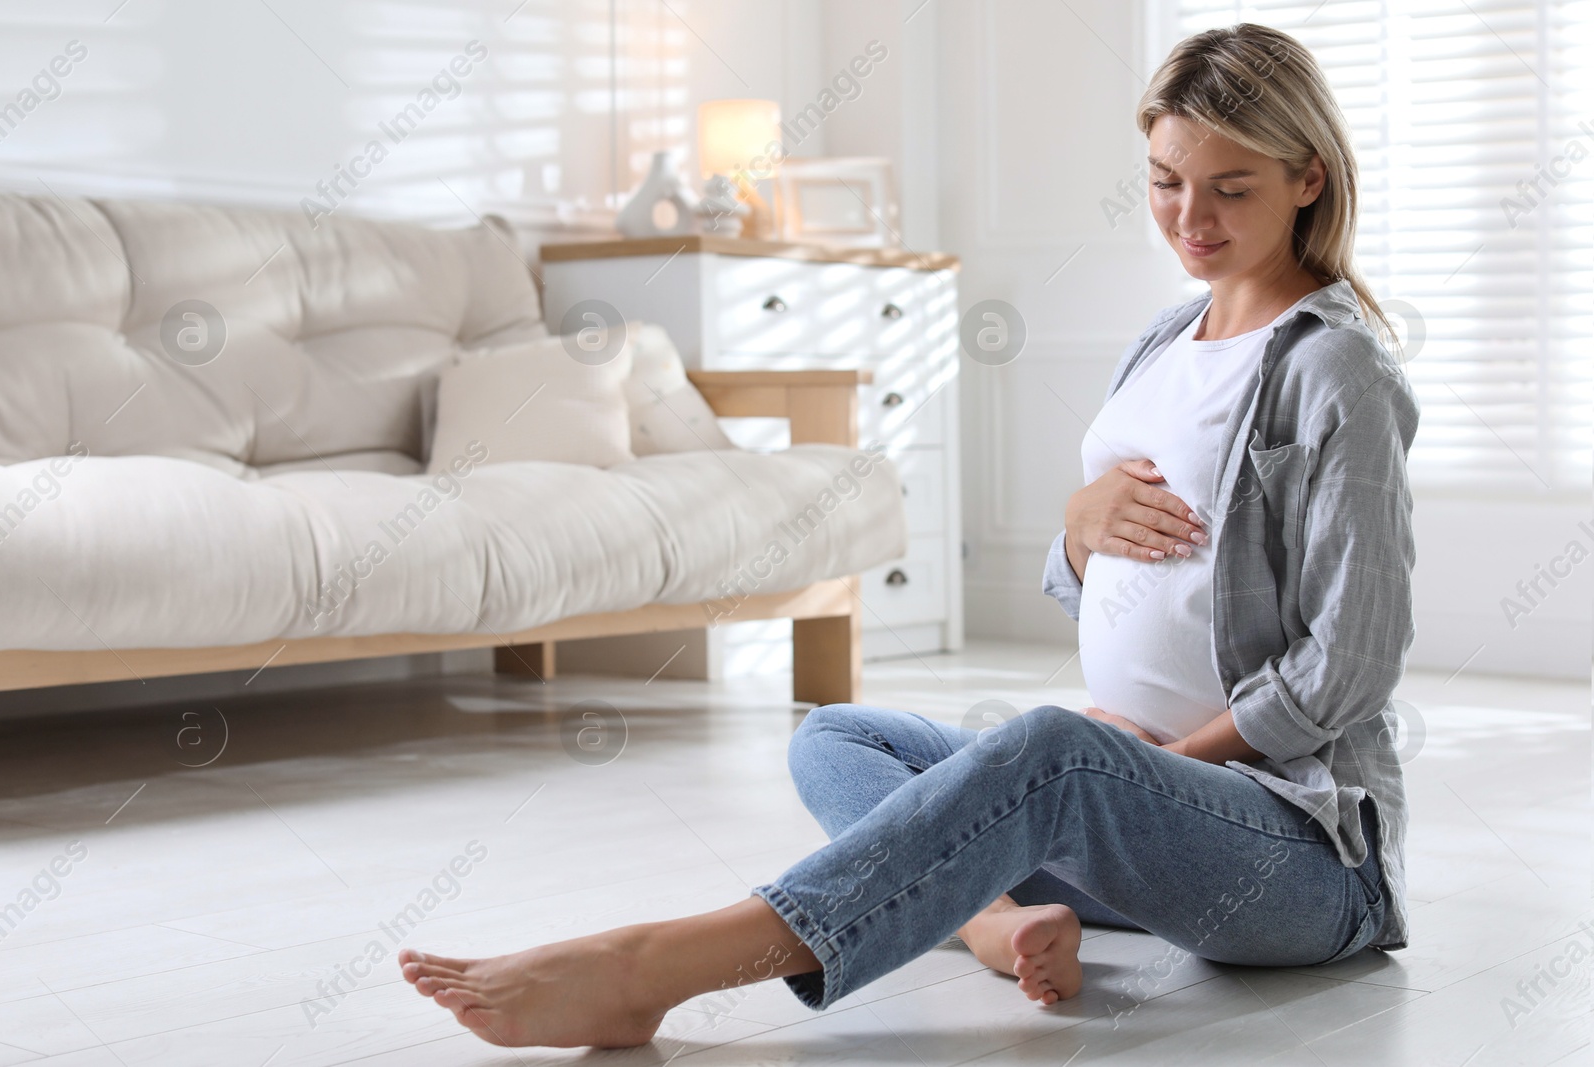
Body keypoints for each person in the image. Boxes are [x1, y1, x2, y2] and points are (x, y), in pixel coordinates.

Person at [397, 22, 1419, 1049]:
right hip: (1130, 816)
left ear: (1308, 179)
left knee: (1055, 752)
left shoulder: (1336, 371)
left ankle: (655, 964)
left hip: (1292, 853)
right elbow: (1092, 577)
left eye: (1229, 188)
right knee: (839, 735)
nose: (1189, 217)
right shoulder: (1163, 341)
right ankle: (990, 919)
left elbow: (1349, 666)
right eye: (1164, 181)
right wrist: (1073, 533)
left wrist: (1161, 752)